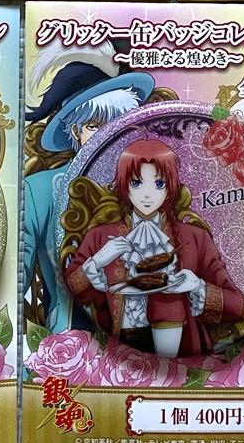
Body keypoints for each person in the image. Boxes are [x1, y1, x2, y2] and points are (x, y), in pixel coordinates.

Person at [64, 139, 244, 358]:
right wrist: (98, 261)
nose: (147, 195)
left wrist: (197, 286)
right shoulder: (100, 237)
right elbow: (70, 292)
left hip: (181, 349)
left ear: (171, 186)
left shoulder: (194, 238)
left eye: (159, 184)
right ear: (123, 184)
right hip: (116, 354)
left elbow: (236, 304)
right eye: (136, 183)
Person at [24, 44, 154, 332]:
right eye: (94, 126)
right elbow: (15, 280)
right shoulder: (41, 190)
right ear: (75, 131)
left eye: (116, 124)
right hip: (73, 339)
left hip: (153, 335)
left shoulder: (154, 184)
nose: (106, 137)